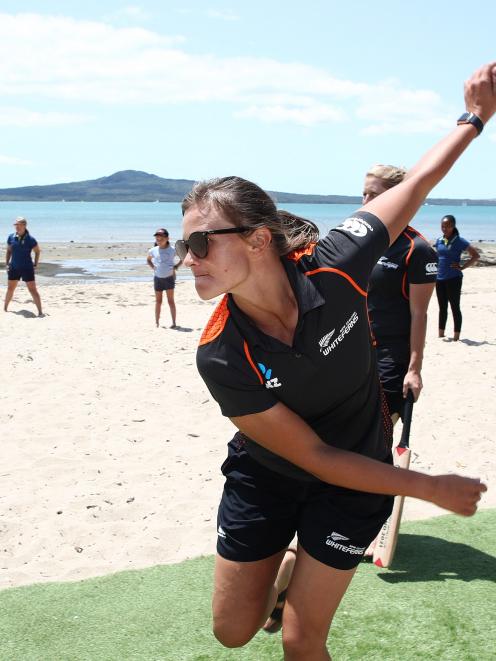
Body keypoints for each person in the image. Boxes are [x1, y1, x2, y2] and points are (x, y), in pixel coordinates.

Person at [175, 62, 495, 660]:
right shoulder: (221, 352)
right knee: (232, 632)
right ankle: (275, 579)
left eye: (201, 243)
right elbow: (312, 455)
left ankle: (296, 584)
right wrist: (428, 486)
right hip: (268, 478)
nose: (188, 257)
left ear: (257, 239)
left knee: (302, 639)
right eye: (183, 243)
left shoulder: (336, 260)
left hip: (356, 476)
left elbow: (418, 183)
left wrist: (475, 116)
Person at [363, 164, 438, 422]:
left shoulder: (417, 249)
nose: (366, 201)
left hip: (392, 356)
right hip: (357, 349)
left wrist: (414, 370)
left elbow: (420, 314)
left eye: (373, 194)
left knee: (379, 433)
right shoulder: (367, 241)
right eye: (364, 194)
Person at [434, 214, 480, 341]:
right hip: (439, 278)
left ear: (453, 226)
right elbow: (436, 257)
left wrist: (462, 267)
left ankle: (456, 336)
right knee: (442, 307)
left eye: (447, 226)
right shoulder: (439, 241)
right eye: (443, 226)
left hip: (454, 278)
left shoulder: (460, 241)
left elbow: (475, 256)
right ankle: (441, 334)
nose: (444, 228)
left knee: (455, 306)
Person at [4, 216, 43, 316]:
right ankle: (5, 309)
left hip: (27, 268)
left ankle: (40, 312)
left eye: (18, 224)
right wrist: (7, 264)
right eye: (15, 224)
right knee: (10, 289)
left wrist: (35, 264)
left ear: (24, 225)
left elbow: (37, 251)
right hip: (14, 267)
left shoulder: (31, 239)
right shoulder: (11, 237)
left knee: (32, 290)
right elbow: (8, 251)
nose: (16, 226)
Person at [147, 228, 181, 328]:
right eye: (157, 237)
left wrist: (176, 266)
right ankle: (157, 323)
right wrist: (153, 267)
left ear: (167, 238)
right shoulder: (153, 250)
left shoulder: (172, 250)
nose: (158, 238)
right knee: (158, 301)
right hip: (158, 278)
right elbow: (148, 260)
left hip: (169, 278)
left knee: (171, 301)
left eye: (161, 237)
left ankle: (174, 323)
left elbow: (183, 257)